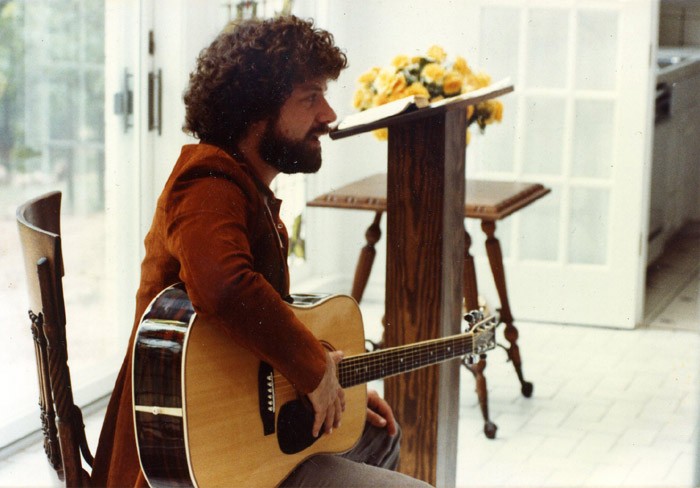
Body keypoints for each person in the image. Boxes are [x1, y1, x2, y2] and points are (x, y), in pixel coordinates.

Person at [91, 15, 431, 488]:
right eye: (310, 97)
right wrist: (314, 372)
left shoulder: (240, 183)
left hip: (237, 428)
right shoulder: (208, 182)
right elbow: (225, 288)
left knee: (377, 436)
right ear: (257, 111)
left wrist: (332, 384)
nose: (329, 114)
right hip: (198, 457)